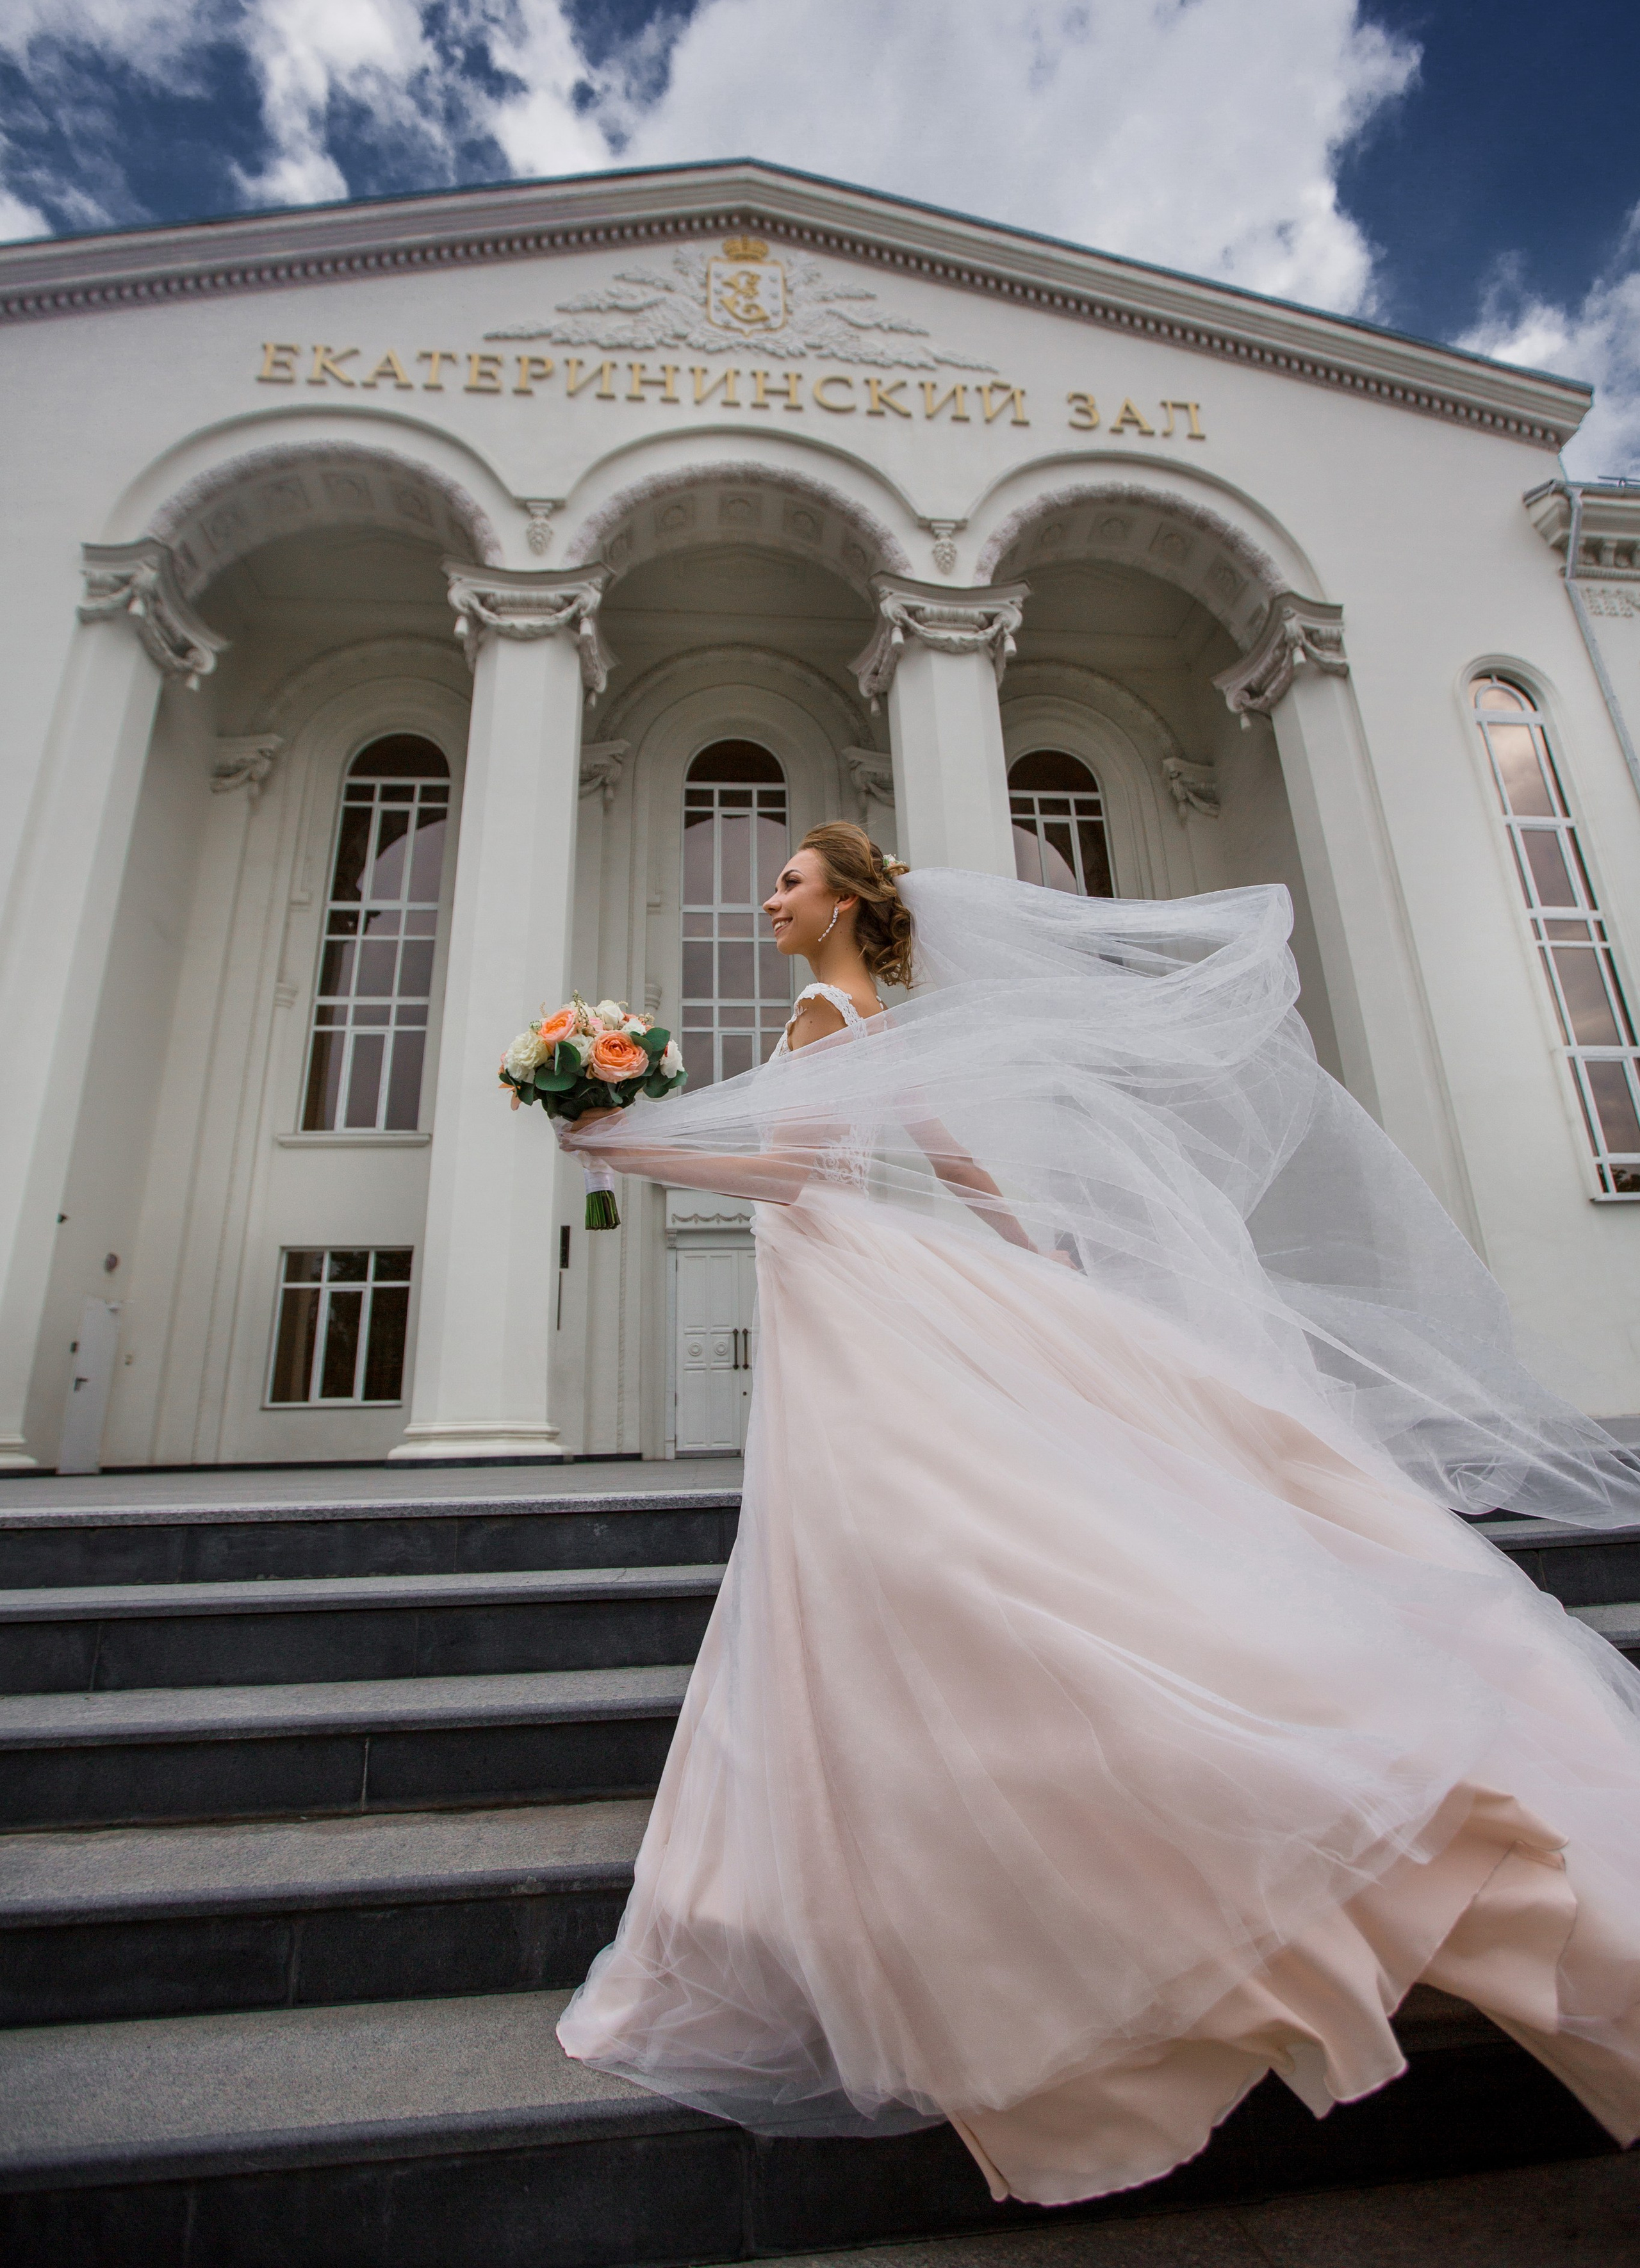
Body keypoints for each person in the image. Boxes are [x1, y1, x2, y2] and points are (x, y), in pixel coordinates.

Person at [554, 823, 1640, 2206]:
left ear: (845, 903)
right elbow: (946, 1154)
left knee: (911, 1552)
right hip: (866, 1291)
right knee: (941, 1543)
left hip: (851, 1302)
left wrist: (625, 1149)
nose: (768, 898)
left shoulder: (825, 1007)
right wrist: (1030, 1256)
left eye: (788, 881)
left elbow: (793, 1176)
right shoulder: (879, 1013)